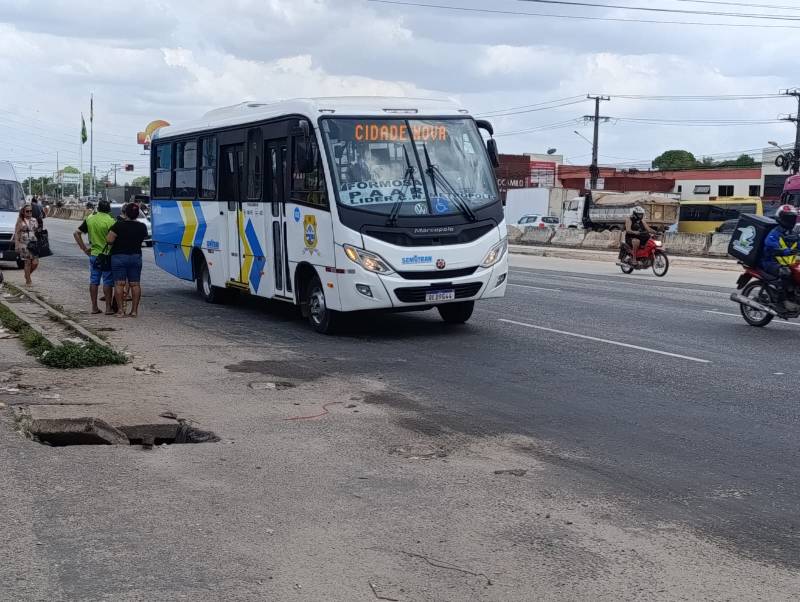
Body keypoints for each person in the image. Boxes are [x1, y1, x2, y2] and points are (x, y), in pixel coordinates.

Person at [74, 199, 116, 315]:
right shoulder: (111, 221)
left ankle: (94, 307)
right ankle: (108, 308)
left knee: (94, 281)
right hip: (107, 255)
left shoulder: (90, 219)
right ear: (109, 209)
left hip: (94, 254)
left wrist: (84, 248)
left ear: (98, 208)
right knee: (107, 281)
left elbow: (76, 233)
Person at [107, 203, 148, 317]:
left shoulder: (118, 225)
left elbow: (109, 240)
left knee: (119, 284)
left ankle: (120, 311)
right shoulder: (142, 226)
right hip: (135, 257)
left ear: (125, 213)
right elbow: (144, 237)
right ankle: (134, 311)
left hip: (119, 257)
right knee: (135, 284)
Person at [760, 204, 799, 310]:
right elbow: (769, 243)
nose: (790, 220)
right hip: (770, 262)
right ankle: (780, 302)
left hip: (788, 263)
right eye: (788, 218)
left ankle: (793, 296)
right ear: (781, 218)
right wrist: (785, 251)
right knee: (785, 273)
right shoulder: (775, 232)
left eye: (792, 218)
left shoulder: (793, 233)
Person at [14, 205, 39, 287]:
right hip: (24, 244)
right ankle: (28, 281)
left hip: (34, 244)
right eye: (27, 211)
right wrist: (17, 245)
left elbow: (37, 231)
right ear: (23, 212)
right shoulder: (20, 221)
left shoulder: (34, 220)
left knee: (35, 263)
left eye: (30, 211)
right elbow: (17, 234)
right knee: (27, 263)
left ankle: (27, 275)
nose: (29, 213)